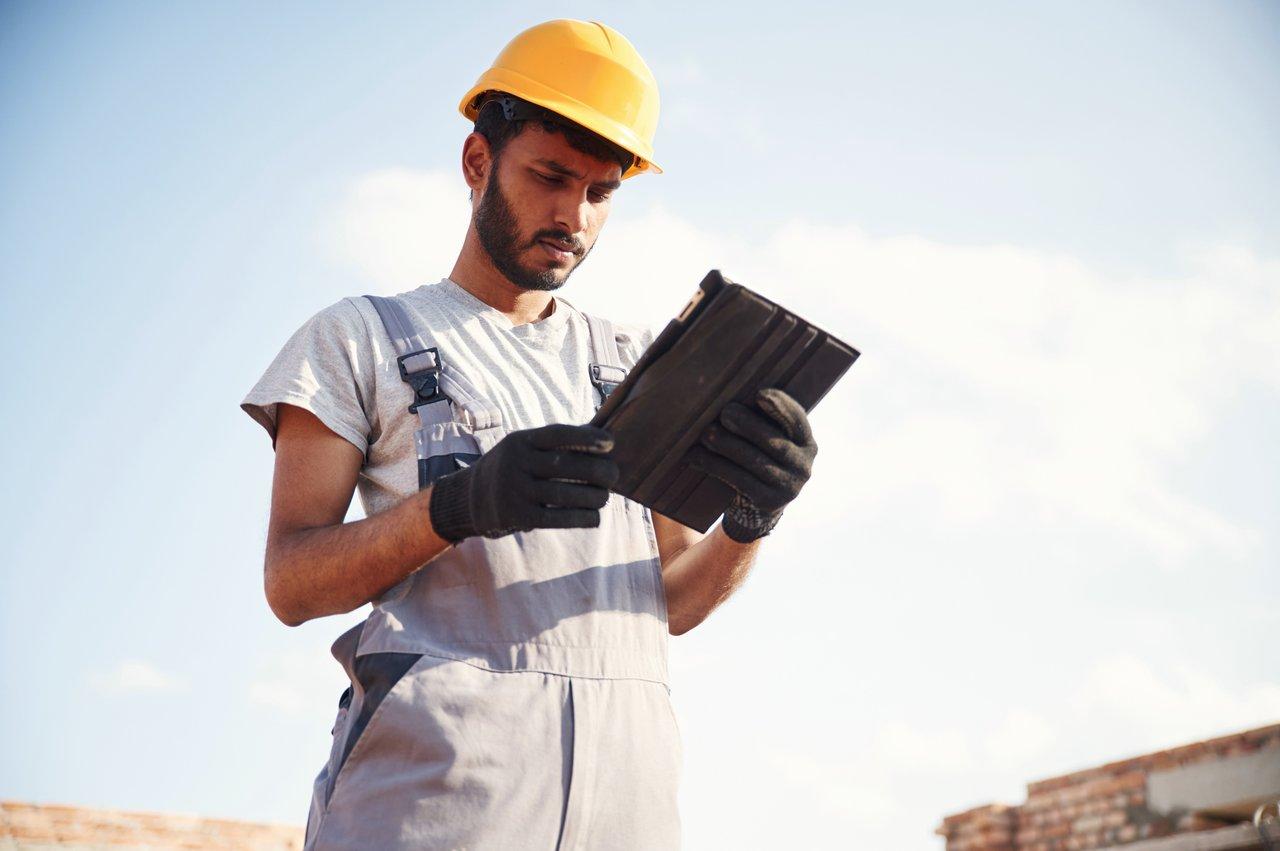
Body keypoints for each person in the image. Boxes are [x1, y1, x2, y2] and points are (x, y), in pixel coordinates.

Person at [241, 19, 819, 850]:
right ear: (478, 161)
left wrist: (752, 519)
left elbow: (673, 600)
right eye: (550, 177)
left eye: (600, 192)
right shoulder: (358, 339)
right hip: (435, 811)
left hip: (626, 813)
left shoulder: (634, 363)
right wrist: (456, 507)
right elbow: (291, 582)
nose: (572, 215)